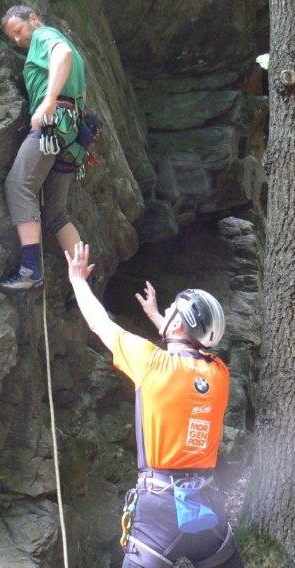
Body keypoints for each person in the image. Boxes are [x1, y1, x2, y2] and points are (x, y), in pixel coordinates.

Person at [65, 242, 244, 568]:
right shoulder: (219, 374)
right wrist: (160, 317)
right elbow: (188, 348)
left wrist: (78, 280)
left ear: (176, 326)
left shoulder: (151, 363)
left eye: (173, 313)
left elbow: (100, 323)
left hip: (159, 512)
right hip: (206, 508)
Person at [0, 5, 87, 293]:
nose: (17, 39)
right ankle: (86, 285)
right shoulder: (41, 43)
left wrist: (48, 101)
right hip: (70, 133)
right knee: (56, 214)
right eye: (12, 37)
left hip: (53, 124)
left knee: (18, 185)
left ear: (33, 19)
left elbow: (64, 54)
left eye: (19, 31)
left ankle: (30, 269)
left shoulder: (45, 35)